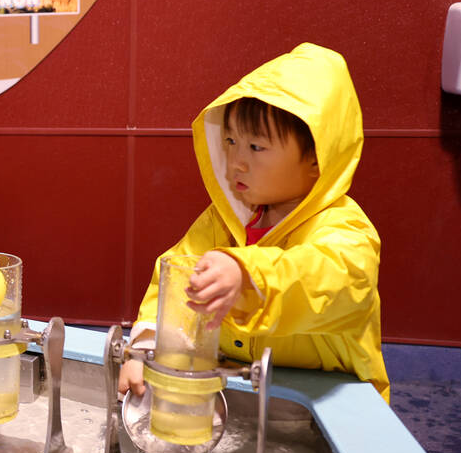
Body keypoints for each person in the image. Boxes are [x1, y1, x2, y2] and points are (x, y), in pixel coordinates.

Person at [119, 43, 389, 402]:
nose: (236, 162)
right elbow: (175, 282)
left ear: (317, 159)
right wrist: (146, 350)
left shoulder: (344, 229)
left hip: (336, 405)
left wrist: (247, 273)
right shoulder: (226, 220)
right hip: (247, 388)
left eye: (256, 147)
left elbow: (328, 279)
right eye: (230, 141)